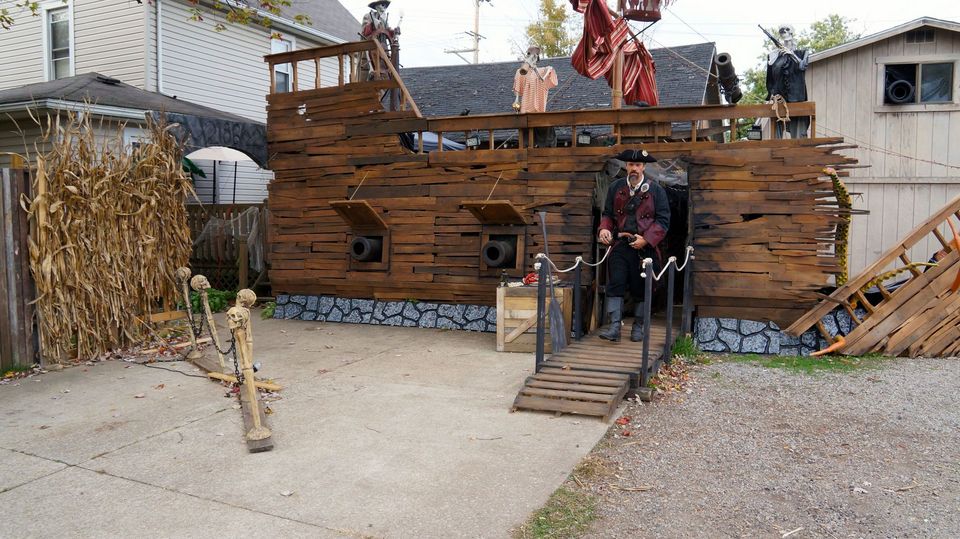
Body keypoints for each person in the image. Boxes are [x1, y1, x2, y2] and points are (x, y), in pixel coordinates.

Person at [597, 148, 670, 342]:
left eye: (638, 165)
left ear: (644, 167)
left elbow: (663, 221)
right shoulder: (616, 187)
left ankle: (638, 326)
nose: (634, 168)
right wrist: (604, 229)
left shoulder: (656, 190)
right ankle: (614, 327)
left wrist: (646, 239)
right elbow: (608, 215)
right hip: (621, 243)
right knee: (616, 283)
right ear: (626, 166)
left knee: (641, 287)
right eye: (631, 165)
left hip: (644, 247)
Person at [765, 24, 810, 139]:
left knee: (799, 137)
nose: (784, 32)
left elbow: (802, 66)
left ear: (792, 32)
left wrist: (792, 55)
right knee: (777, 138)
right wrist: (770, 94)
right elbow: (770, 77)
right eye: (781, 30)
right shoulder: (775, 56)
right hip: (779, 100)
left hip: (797, 99)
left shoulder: (802, 53)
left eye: (787, 29)